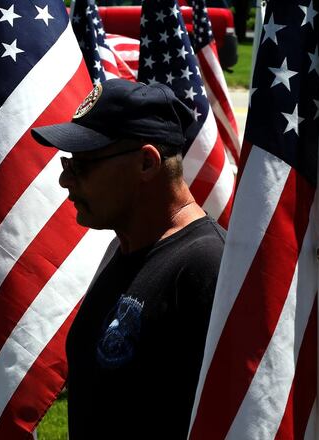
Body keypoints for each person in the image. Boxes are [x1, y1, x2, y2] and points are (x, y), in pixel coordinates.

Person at [31, 79, 226, 438]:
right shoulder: (121, 251)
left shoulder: (207, 268)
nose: (64, 179)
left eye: (83, 164)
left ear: (147, 163)